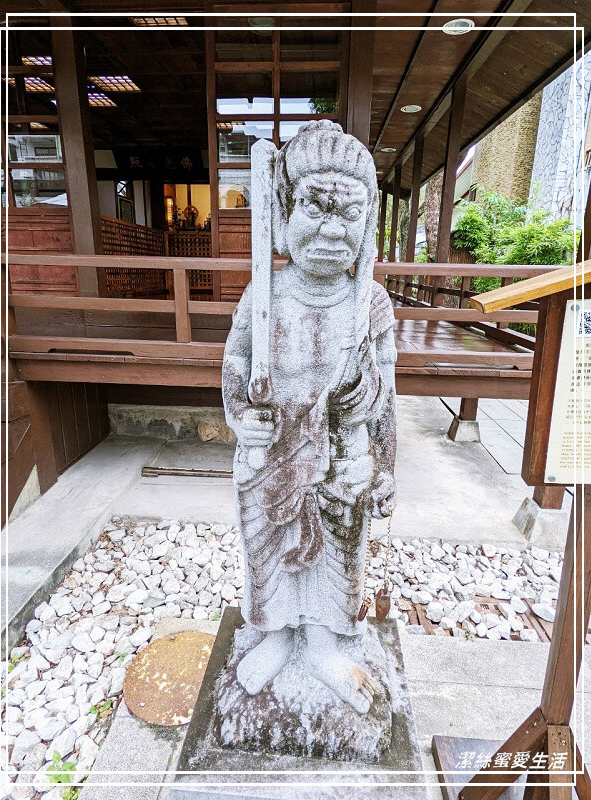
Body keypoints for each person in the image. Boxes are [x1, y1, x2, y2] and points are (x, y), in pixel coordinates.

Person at [222, 120, 397, 715]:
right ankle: (273, 635)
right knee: (266, 547)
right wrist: (241, 415)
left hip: (339, 453)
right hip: (272, 453)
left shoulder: (369, 302)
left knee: (339, 553)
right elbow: (236, 360)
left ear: (369, 223)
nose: (330, 229)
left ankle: (323, 642)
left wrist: (381, 463)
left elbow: (388, 395)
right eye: (314, 208)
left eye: (348, 213)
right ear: (282, 211)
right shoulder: (264, 292)